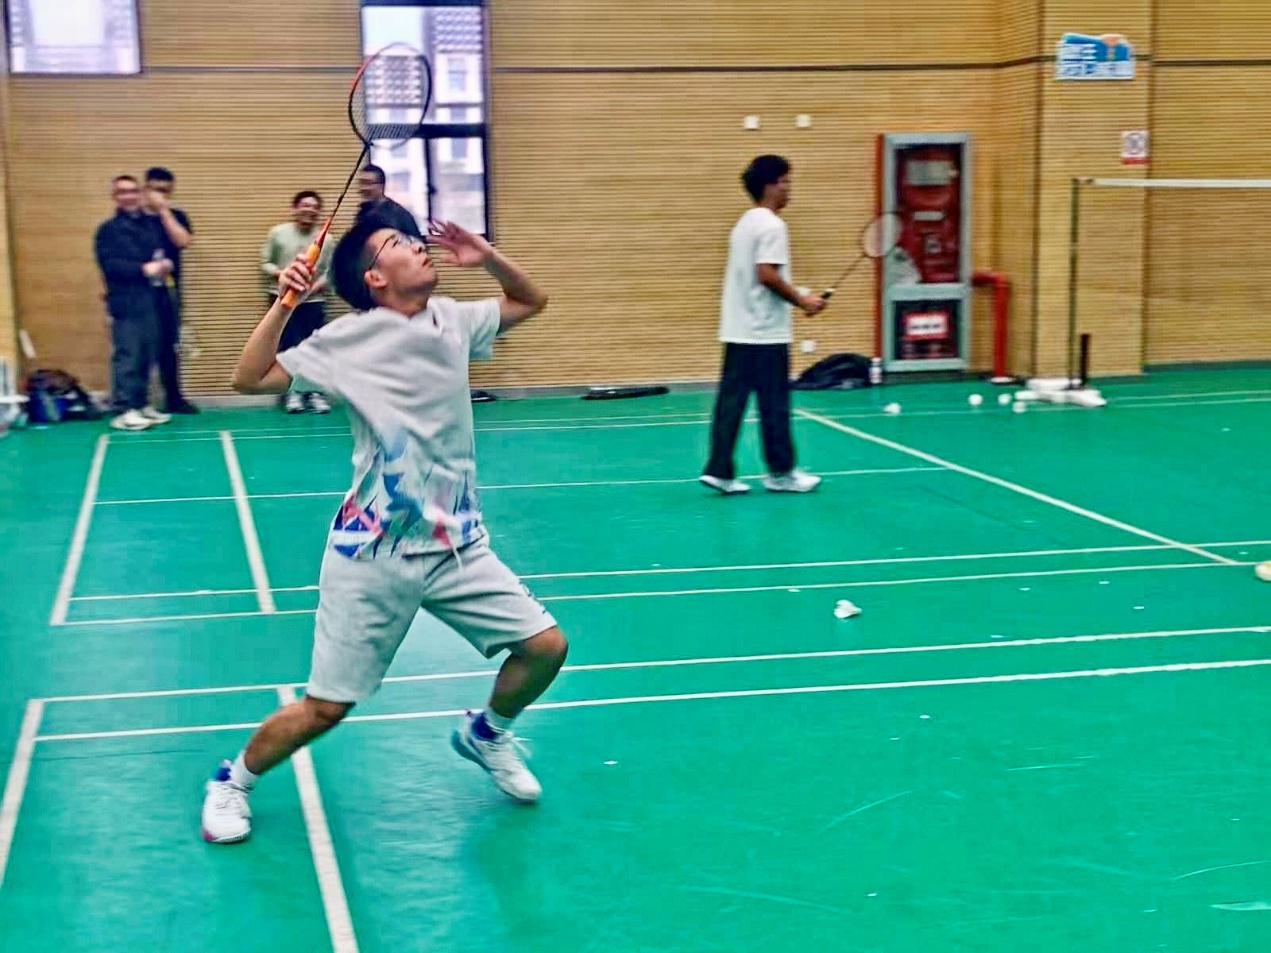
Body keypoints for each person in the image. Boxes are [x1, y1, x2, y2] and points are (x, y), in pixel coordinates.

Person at [200, 214, 567, 844]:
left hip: (456, 545)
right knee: (326, 708)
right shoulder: (347, 340)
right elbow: (248, 378)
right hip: (372, 552)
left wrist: (486, 255)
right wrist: (285, 303)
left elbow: (531, 300)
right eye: (398, 243)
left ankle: (487, 734)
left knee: (545, 648)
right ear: (374, 278)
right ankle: (232, 781)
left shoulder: (454, 320)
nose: (418, 246)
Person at [701, 154, 825, 495]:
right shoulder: (772, 226)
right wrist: (802, 301)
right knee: (774, 405)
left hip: (738, 329)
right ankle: (781, 474)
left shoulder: (744, 224)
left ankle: (719, 470)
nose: (789, 189)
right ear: (770, 185)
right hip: (765, 332)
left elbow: (759, 277)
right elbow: (766, 274)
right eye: (786, 182)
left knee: (731, 404)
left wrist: (799, 294)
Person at [93, 175, 173, 432]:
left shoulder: (149, 225)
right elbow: (109, 265)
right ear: (115, 197)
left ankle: (141, 404)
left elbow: (162, 252)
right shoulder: (108, 230)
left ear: (140, 194)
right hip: (125, 301)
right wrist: (143, 269)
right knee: (128, 355)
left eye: (133, 191)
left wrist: (163, 264)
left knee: (148, 354)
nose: (129, 196)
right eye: (123, 192)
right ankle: (124, 409)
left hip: (153, 300)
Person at [260, 190, 335, 413]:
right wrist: (284, 276)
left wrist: (311, 289)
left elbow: (331, 272)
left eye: (314, 207)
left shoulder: (327, 239)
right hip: (283, 301)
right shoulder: (278, 233)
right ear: (294, 209)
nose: (309, 210)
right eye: (304, 205)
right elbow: (265, 264)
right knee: (288, 348)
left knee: (314, 348)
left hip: (313, 301)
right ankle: (293, 393)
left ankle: (315, 392)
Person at [142, 166, 199, 414]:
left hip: (168, 292)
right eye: (156, 190)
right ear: (146, 189)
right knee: (140, 348)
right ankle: (138, 401)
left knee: (169, 348)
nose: (160, 195)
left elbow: (183, 241)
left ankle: (174, 398)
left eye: (166, 191)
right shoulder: (135, 220)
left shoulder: (176, 216)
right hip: (138, 294)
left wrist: (164, 211)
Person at [354, 163, 423, 239]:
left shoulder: (397, 215)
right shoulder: (364, 212)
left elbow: (417, 243)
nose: (363, 188)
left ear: (381, 185)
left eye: (368, 183)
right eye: (361, 183)